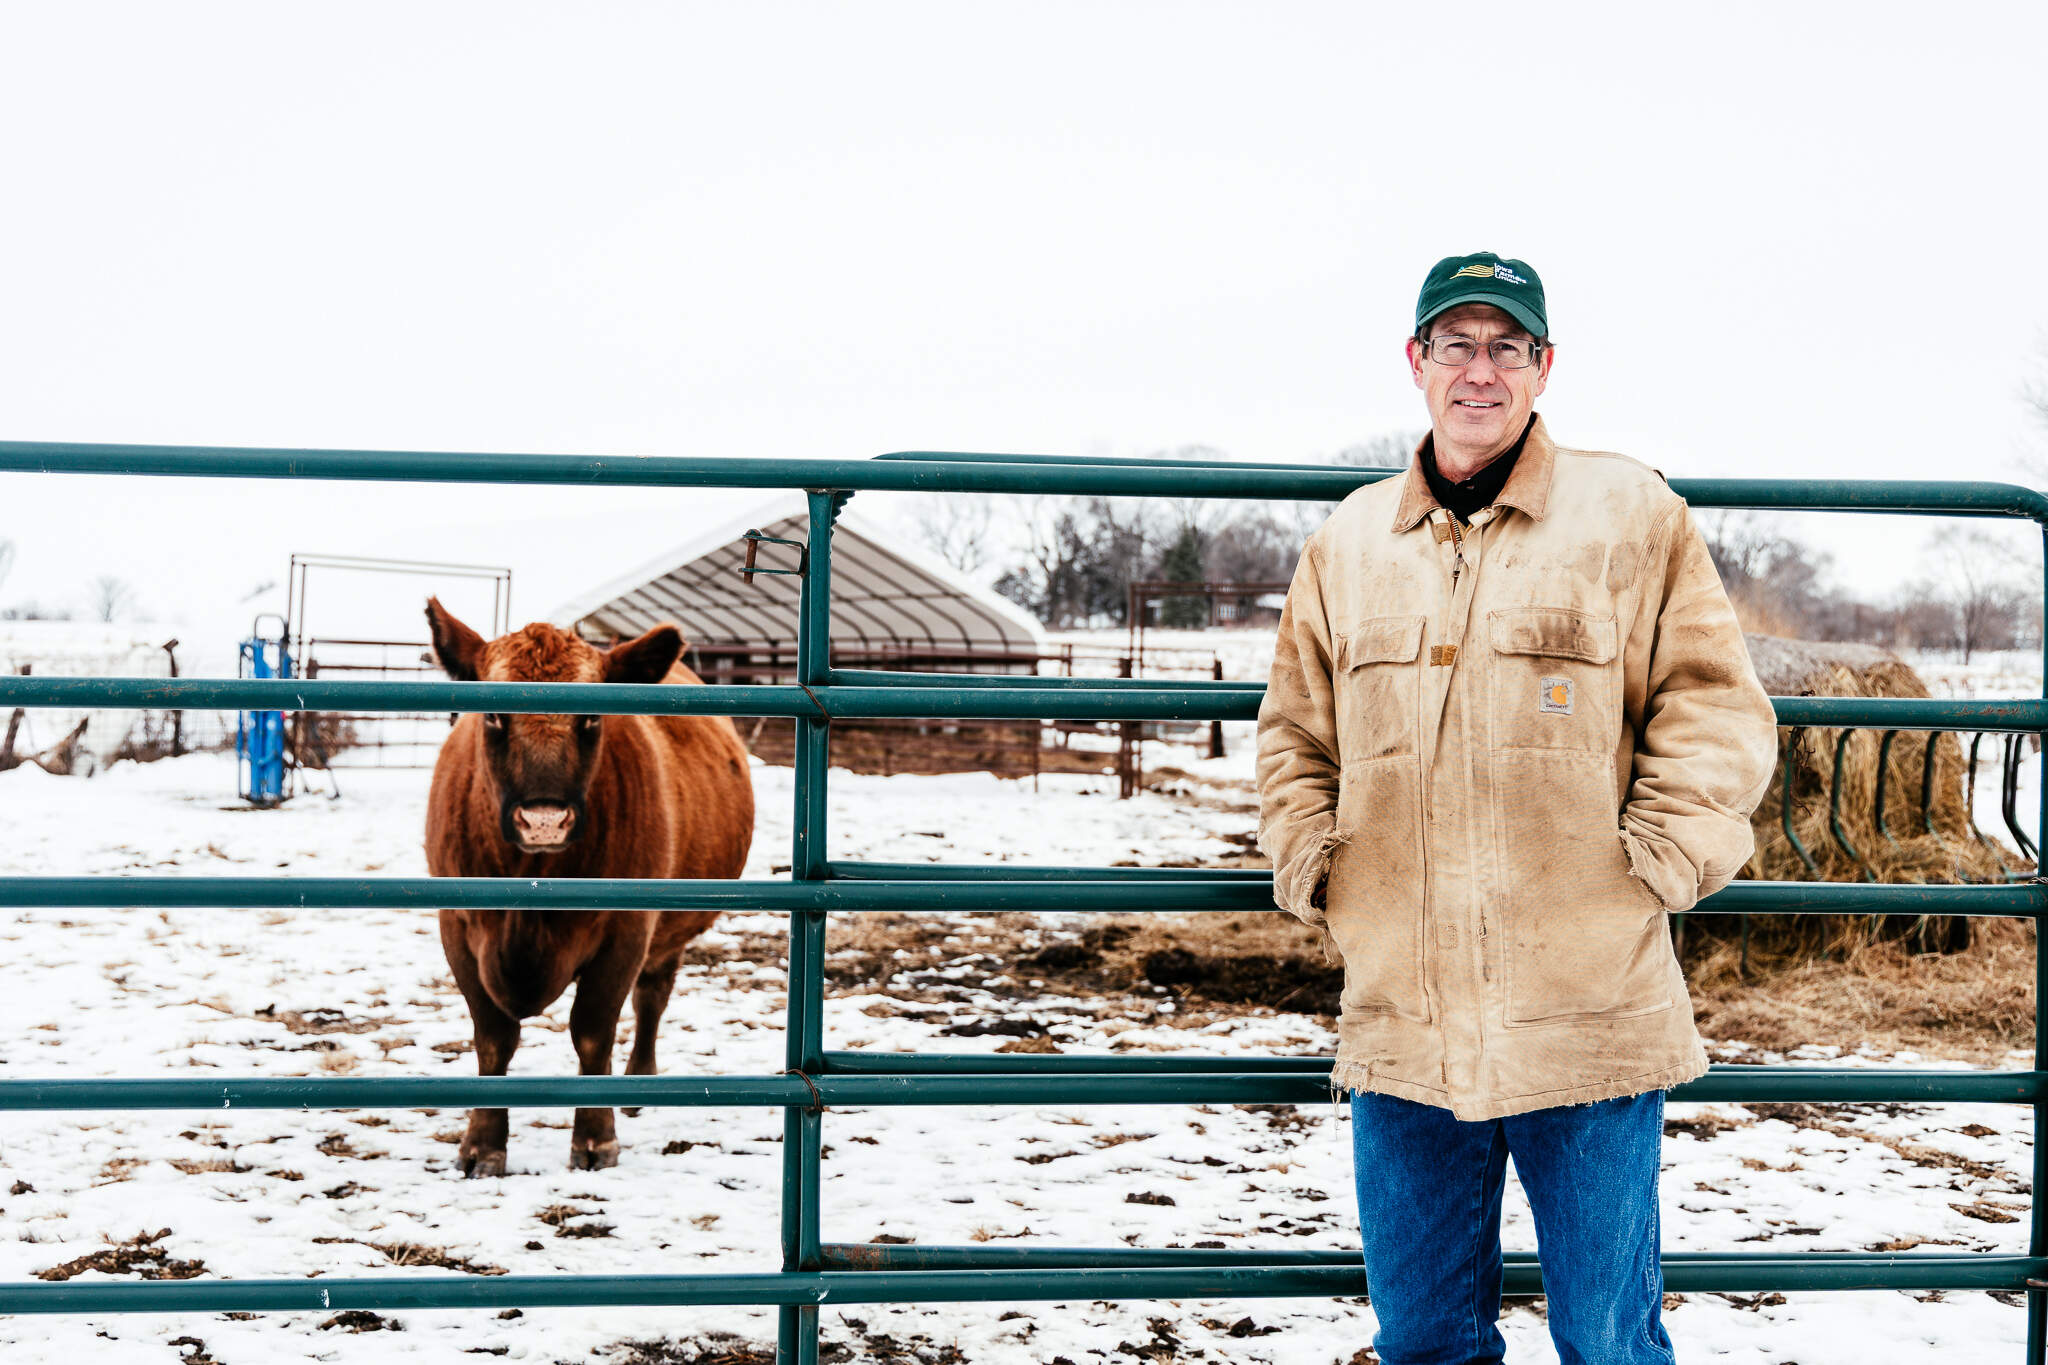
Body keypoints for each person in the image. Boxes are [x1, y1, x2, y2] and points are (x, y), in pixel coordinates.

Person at [1255, 251, 1778, 1364]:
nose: (1478, 371)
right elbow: (1293, 733)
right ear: (1415, 362)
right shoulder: (1348, 543)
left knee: (1605, 1339)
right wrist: (1314, 862)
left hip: (1586, 1007)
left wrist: (1651, 862)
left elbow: (1713, 707)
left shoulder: (1627, 513)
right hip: (1402, 1012)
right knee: (1424, 1339)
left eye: (1506, 347)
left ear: (1543, 367)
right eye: (1455, 344)